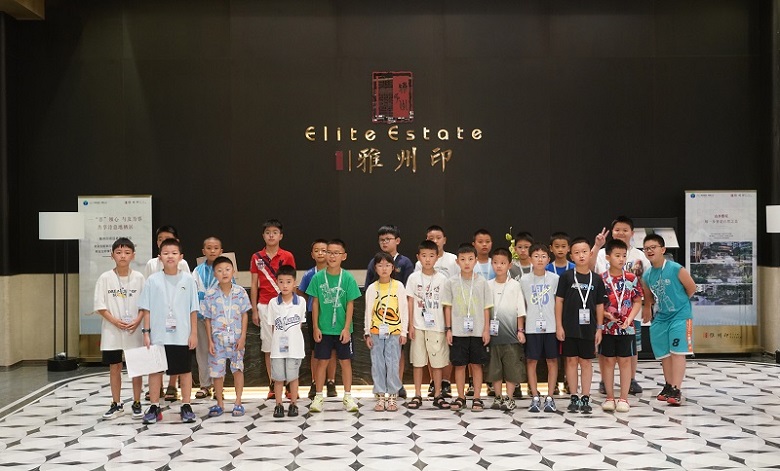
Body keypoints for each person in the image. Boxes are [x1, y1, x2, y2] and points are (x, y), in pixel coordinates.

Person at [139, 238, 199, 424]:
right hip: (158, 335)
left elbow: (193, 309)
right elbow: (146, 309)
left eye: (174, 253)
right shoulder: (152, 280)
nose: (170, 256)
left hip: (182, 335)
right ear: (160, 257)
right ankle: (154, 406)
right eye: (166, 253)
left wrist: (194, 333)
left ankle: (186, 405)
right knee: (155, 371)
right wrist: (146, 332)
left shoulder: (188, 280)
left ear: (181, 257)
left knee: (185, 371)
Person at [592, 216, 650, 395]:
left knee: (632, 349)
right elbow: (589, 268)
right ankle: (604, 381)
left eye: (625, 230)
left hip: (630, 312)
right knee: (605, 351)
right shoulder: (602, 253)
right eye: (617, 230)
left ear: (632, 233)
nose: (621, 233)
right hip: (606, 312)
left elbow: (645, 282)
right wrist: (597, 246)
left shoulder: (639, 256)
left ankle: (631, 379)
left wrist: (647, 305)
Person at [306, 239, 362, 413]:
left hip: (342, 329)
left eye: (336, 253)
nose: (331, 256)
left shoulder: (348, 278)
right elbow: (315, 303)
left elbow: (350, 304)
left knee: (345, 362)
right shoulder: (317, 277)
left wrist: (346, 328)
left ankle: (348, 396)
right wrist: (315, 327)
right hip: (323, 329)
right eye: (329, 252)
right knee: (322, 361)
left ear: (343, 256)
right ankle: (318, 396)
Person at [641, 234, 696, 406]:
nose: (650, 251)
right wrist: (647, 309)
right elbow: (648, 297)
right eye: (646, 248)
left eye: (653, 247)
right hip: (661, 318)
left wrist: (680, 304)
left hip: (680, 316)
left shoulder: (675, 268)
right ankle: (668, 385)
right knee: (664, 354)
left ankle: (676, 389)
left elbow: (691, 288)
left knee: (677, 352)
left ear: (663, 249)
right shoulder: (647, 275)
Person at [95, 237, 146, 420]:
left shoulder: (139, 278)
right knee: (115, 366)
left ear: (133, 255)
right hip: (112, 330)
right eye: (118, 252)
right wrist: (115, 321)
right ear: (112, 255)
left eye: (126, 252)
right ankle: (116, 403)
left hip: (134, 329)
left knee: (136, 367)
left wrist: (138, 320)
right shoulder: (105, 278)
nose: (122, 256)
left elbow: (145, 304)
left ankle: (137, 402)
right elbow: (100, 306)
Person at [555, 237, 606, 414]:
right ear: (571, 256)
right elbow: (559, 301)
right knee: (570, 361)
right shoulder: (566, 277)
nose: (581, 255)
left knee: (586, 361)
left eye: (584, 252)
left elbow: (600, 305)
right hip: (569, 327)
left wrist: (599, 328)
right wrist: (559, 325)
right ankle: (573, 396)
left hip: (589, 328)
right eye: (577, 253)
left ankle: (585, 396)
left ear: (590, 254)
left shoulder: (597, 279)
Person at [364, 224, 415, 399]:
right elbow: (369, 288)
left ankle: (396, 386)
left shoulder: (405, 262)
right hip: (377, 321)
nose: (385, 242)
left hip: (396, 320)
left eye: (388, 239)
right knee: (378, 359)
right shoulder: (374, 262)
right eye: (382, 240)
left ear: (397, 240)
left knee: (396, 355)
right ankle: (380, 389)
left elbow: (409, 291)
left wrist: (405, 326)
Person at [442, 243, 493, 411]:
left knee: (477, 365)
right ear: (457, 262)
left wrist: (486, 330)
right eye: (463, 259)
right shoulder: (451, 282)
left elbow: (486, 308)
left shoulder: (482, 282)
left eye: (470, 259)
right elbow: (447, 307)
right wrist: (448, 329)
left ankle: (477, 397)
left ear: (476, 261)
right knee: (459, 365)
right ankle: (460, 397)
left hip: (478, 331)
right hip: (458, 331)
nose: (467, 263)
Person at [143, 224, 190, 402]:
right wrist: (146, 329)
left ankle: (172, 385)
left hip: (177, 320)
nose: (169, 255)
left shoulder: (183, 266)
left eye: (168, 239)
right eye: (161, 240)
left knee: (178, 357)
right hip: (158, 319)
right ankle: (156, 393)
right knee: (157, 358)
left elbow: (189, 297)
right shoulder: (151, 265)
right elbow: (146, 295)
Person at [250, 219, 296, 400]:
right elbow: (254, 284)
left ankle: (289, 384)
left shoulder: (287, 256)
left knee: (286, 345)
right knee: (269, 346)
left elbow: (292, 281)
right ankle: (273, 382)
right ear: (263, 235)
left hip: (284, 306)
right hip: (264, 306)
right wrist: (254, 310)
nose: (271, 235)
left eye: (275, 232)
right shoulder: (256, 257)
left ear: (281, 236)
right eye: (268, 232)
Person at [202, 256, 251, 418]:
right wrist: (209, 341)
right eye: (220, 270)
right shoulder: (210, 294)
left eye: (227, 269)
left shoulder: (240, 292)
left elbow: (244, 315)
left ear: (233, 271)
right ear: (214, 274)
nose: (224, 273)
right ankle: (219, 403)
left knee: (238, 369)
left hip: (236, 339)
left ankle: (238, 401)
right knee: (217, 372)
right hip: (217, 340)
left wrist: (243, 337)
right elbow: (207, 319)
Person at [406, 240, 450, 410]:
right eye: (424, 256)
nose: (427, 259)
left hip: (437, 326)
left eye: (431, 256)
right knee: (418, 362)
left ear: (437, 257)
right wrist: (410, 325)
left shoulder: (442, 279)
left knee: (437, 363)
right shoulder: (413, 278)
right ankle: (417, 394)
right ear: (418, 257)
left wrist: (447, 327)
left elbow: (446, 305)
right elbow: (410, 302)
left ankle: (438, 394)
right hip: (418, 326)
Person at [599, 240, 642, 413]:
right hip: (607, 328)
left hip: (627, 327)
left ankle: (624, 398)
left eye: (624, 255)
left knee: (625, 361)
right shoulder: (601, 278)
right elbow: (596, 303)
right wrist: (604, 314)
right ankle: (610, 397)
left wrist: (630, 318)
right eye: (617, 255)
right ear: (608, 257)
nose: (621, 259)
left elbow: (637, 301)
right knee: (608, 361)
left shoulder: (631, 278)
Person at [364, 253, 409, 412]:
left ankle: (392, 396)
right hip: (376, 332)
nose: (384, 269)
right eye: (380, 265)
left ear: (393, 268)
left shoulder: (398, 286)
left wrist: (404, 332)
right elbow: (368, 311)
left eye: (387, 265)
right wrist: (367, 333)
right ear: (375, 268)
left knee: (393, 363)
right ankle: (380, 396)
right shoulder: (372, 288)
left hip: (394, 332)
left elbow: (404, 309)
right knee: (377, 364)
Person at [520, 243, 560, 413]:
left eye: (543, 256)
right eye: (536, 256)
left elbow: (559, 304)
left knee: (552, 361)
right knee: (531, 361)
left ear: (548, 259)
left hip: (551, 327)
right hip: (531, 327)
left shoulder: (554, 279)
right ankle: (535, 396)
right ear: (530, 259)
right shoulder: (524, 280)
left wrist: (560, 326)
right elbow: (521, 306)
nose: (540, 260)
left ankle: (550, 396)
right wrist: (521, 329)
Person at [297, 239, 338, 399]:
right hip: (313, 314)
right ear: (312, 254)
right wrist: (312, 303)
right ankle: (314, 382)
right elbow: (301, 292)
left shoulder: (335, 273)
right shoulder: (309, 274)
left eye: (324, 250)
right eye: (317, 250)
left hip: (332, 314)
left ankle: (331, 382)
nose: (320, 253)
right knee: (315, 350)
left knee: (332, 350)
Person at [486, 247, 526, 411]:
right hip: (493, 336)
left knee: (511, 367)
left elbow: (520, 309)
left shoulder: (515, 286)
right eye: (495, 262)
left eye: (503, 263)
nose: (499, 266)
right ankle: (498, 397)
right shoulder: (488, 285)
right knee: (494, 368)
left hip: (511, 335)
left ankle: (509, 397)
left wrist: (520, 330)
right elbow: (485, 310)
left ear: (509, 265)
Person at [269, 265, 306, 418]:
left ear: (294, 283)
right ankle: (278, 405)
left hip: (295, 347)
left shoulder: (301, 302)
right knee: (278, 378)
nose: (285, 285)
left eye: (288, 282)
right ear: (277, 282)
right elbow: (273, 326)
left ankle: (293, 404)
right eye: (281, 281)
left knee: (293, 377)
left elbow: (299, 324)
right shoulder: (273, 303)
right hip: (278, 348)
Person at [192, 236, 225, 401]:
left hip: (220, 319)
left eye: (216, 248)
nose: (212, 251)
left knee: (219, 352)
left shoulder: (225, 269)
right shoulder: (197, 271)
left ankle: (219, 387)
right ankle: (205, 385)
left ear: (221, 251)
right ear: (203, 251)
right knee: (203, 351)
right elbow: (193, 294)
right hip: (201, 317)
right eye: (209, 248)